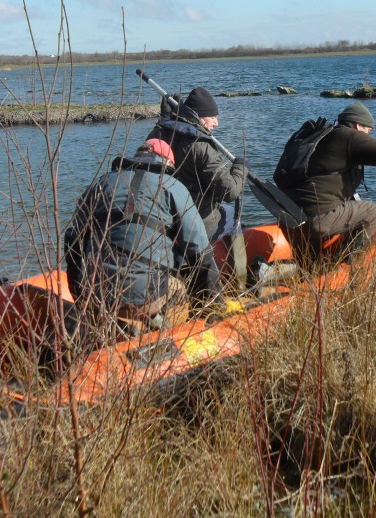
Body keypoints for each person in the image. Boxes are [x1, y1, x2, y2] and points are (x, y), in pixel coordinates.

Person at [63, 138, 223, 337]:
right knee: (182, 289)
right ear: (168, 164)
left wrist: (79, 293)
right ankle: (168, 334)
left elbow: (72, 241)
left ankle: (116, 327)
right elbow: (200, 252)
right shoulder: (173, 186)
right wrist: (214, 308)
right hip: (146, 296)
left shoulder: (100, 184)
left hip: (96, 294)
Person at [279, 101, 376, 259]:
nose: (368, 136)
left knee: (346, 205)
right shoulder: (348, 137)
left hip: (291, 215)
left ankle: (313, 265)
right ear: (358, 126)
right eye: (368, 130)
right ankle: (347, 264)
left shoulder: (324, 135)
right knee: (370, 212)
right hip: (317, 218)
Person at [145, 86, 247, 241]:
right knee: (232, 215)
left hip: (168, 214)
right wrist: (240, 167)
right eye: (212, 117)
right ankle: (235, 264)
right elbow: (230, 192)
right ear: (200, 117)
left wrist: (165, 118)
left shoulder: (162, 133)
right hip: (197, 218)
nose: (216, 123)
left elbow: (150, 144)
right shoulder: (202, 146)